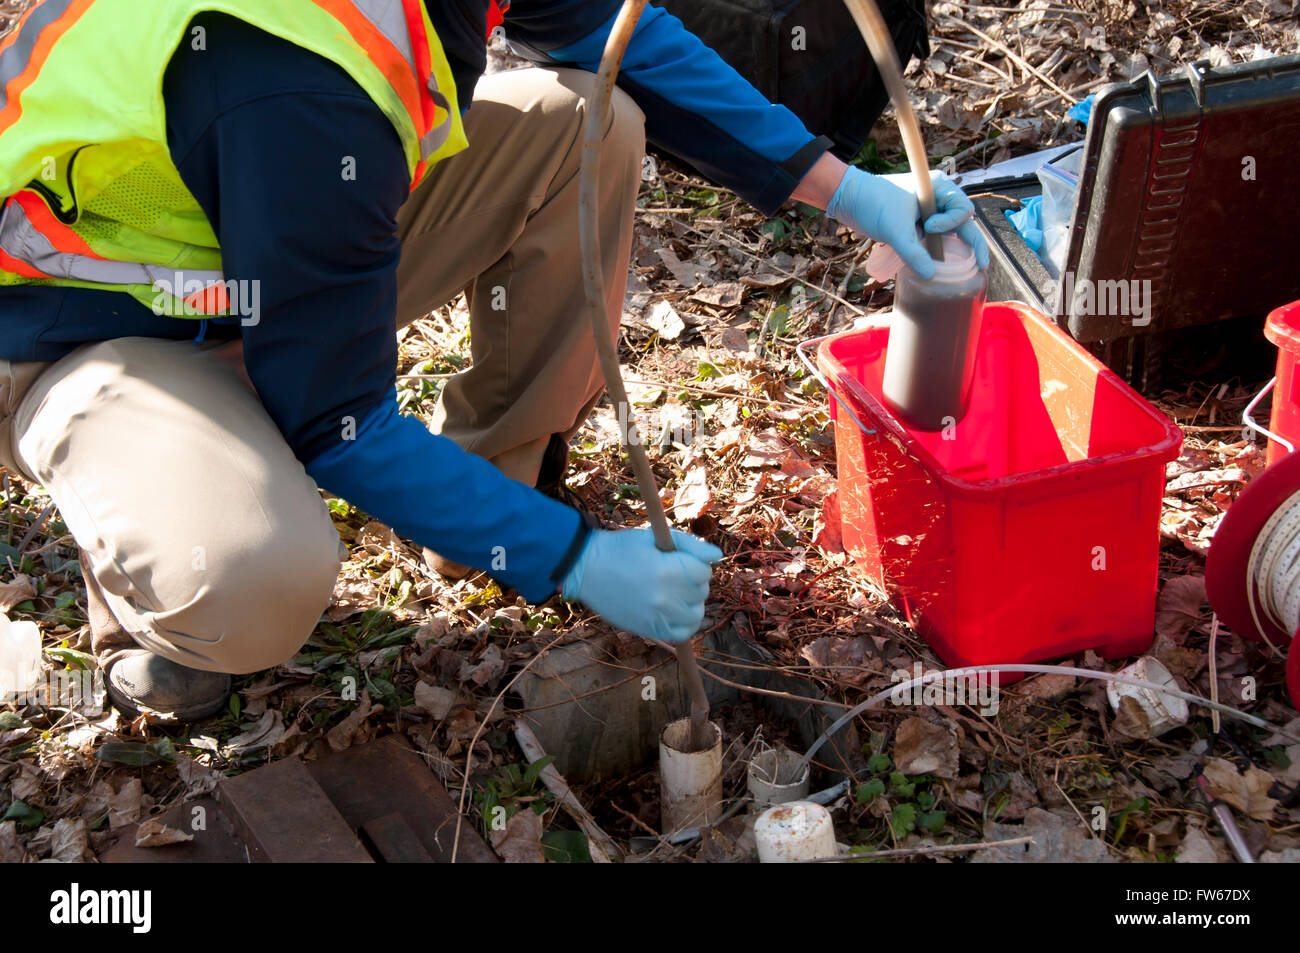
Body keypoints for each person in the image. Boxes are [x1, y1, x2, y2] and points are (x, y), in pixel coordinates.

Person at [0, 0, 987, 720]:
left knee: (585, 120)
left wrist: (846, 189)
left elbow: (622, 37)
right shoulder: (294, 69)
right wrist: (574, 559)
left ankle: (484, 499)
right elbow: (336, 419)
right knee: (253, 574)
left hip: (259, 244)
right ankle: (155, 597)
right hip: (87, 322)